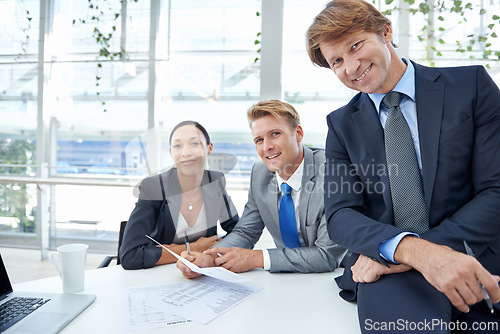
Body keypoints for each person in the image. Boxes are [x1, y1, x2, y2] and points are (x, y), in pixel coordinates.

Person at [306, 0, 500, 332]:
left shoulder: (471, 86)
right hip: (389, 266)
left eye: (356, 46)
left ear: (386, 32)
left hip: (476, 249)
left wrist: (429, 251)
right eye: (337, 61)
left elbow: (495, 191)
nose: (351, 67)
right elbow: (340, 215)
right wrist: (410, 252)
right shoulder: (341, 125)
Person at [177, 100, 346, 277]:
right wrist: (210, 258)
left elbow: (326, 255)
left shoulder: (331, 172)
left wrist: (257, 258)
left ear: (298, 133)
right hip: (288, 278)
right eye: (259, 140)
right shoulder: (260, 173)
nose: (267, 147)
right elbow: (246, 232)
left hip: (338, 275)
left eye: (275, 134)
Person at [120, 121, 239, 270]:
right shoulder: (154, 187)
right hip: (160, 275)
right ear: (171, 153)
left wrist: (211, 254)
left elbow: (238, 233)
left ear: (209, 148)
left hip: (205, 273)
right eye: (178, 146)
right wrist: (195, 247)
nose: (186, 152)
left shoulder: (215, 182)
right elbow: (130, 256)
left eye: (195, 144)